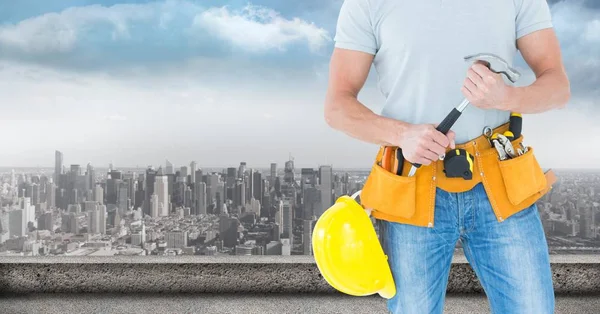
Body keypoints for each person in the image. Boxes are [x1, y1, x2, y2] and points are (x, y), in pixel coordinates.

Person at [324, 1, 570, 313]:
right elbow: (337, 107)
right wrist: (403, 135)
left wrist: (508, 97)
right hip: (412, 186)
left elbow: (558, 86)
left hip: (501, 184)